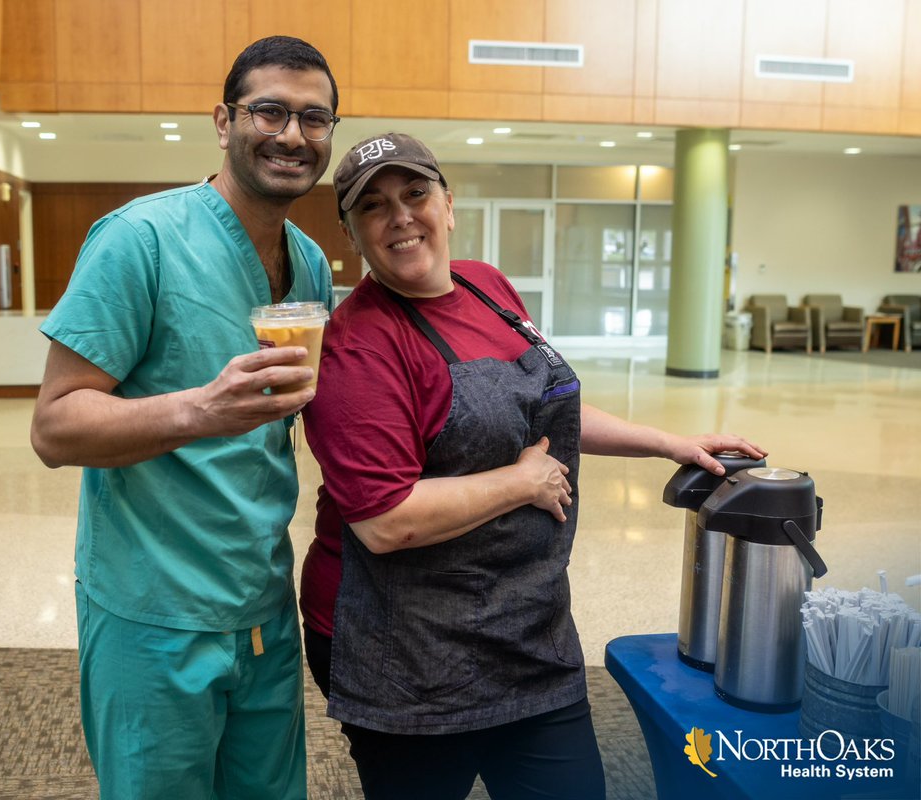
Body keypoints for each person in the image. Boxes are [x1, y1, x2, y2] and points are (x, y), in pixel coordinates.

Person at [300, 132, 768, 800]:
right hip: (406, 649)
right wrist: (521, 481)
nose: (400, 215)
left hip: (524, 627)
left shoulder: (486, 287)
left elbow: (544, 408)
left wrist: (667, 442)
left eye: (414, 193)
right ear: (353, 235)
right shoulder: (359, 348)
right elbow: (384, 521)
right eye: (373, 206)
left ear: (449, 205)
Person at [29, 36, 339, 800]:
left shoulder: (311, 264)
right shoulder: (140, 241)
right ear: (223, 120)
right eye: (269, 111)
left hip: (261, 604)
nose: (292, 135)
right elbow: (55, 428)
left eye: (315, 118)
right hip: (153, 613)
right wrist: (201, 409)